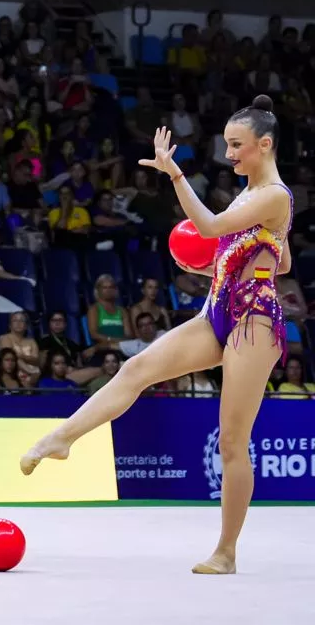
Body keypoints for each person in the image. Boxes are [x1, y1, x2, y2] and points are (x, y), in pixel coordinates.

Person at [22, 98, 291, 575]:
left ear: (263, 145)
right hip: (218, 311)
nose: (228, 153)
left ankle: (226, 552)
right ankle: (62, 438)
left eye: (235, 145)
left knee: (232, 441)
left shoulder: (273, 195)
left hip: (255, 321)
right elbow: (281, 260)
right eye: (226, 144)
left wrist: (175, 174)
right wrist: (223, 261)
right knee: (136, 368)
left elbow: (208, 226)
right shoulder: (252, 195)